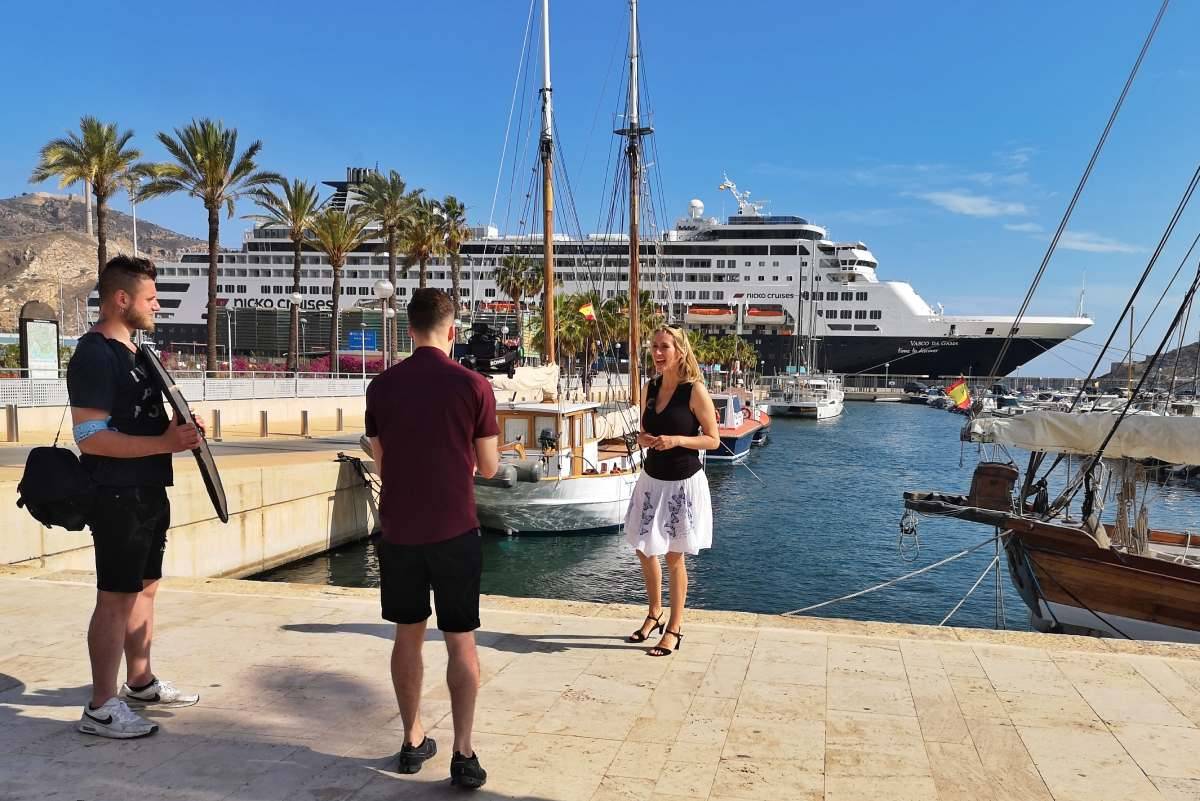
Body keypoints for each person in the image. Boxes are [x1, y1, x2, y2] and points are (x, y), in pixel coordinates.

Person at [365, 288, 500, 789]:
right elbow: (487, 467)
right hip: (454, 529)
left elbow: (381, 459)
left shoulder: (380, 387)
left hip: (399, 530)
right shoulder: (473, 385)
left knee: (407, 634)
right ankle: (463, 753)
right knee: (461, 641)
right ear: (452, 329)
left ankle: (411, 738)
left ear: (408, 329)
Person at [68, 255, 203, 739]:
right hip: (116, 494)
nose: (158, 305)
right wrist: (164, 444)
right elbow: (91, 437)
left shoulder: (137, 354)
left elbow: (142, 419)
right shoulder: (95, 354)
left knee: (145, 587)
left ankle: (139, 682)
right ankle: (100, 706)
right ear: (121, 300)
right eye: (151, 298)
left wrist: (176, 431)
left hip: (148, 490)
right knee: (115, 597)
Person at [624, 326, 719, 656]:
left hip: (682, 483)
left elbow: (713, 439)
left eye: (664, 346)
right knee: (643, 548)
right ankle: (655, 612)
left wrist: (677, 440)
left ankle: (675, 629)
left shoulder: (694, 390)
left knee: (674, 556)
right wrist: (643, 439)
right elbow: (644, 430)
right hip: (651, 479)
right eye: (654, 346)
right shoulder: (648, 387)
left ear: (680, 350)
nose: (658, 352)